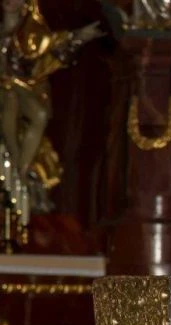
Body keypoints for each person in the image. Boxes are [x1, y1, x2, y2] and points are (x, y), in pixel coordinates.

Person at [0, 0, 102, 190]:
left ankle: (22, 168)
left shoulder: (30, 35)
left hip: (21, 87)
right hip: (3, 89)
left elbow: (52, 46)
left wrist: (78, 36)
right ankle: (14, 156)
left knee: (39, 114)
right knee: (10, 100)